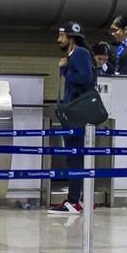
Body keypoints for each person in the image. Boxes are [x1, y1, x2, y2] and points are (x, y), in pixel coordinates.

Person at [49, 21, 95, 214]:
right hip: (76, 112)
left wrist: (65, 69)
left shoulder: (79, 54)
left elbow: (85, 79)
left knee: (74, 157)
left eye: (61, 35)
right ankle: (80, 199)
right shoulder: (77, 54)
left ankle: (73, 201)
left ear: (70, 37)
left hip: (76, 114)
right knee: (76, 157)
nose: (58, 39)